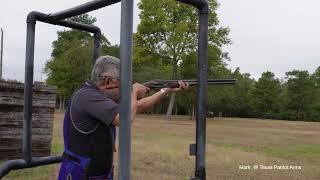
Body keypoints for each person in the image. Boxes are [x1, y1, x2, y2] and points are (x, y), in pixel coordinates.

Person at [58, 55, 189, 180]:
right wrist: (133, 92)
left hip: (94, 173)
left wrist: (165, 90)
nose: (124, 87)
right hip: (81, 174)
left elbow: (137, 106)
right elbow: (125, 119)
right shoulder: (88, 96)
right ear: (107, 81)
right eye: (123, 83)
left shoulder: (95, 95)